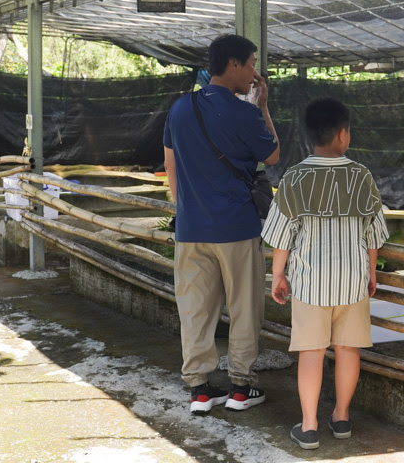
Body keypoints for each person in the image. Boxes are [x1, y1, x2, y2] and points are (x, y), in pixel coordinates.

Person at [261, 96, 389, 450]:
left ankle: (309, 426)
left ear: (310, 136)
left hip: (309, 282)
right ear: (343, 135)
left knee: (312, 352)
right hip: (352, 281)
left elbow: (281, 235)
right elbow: (373, 233)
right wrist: (371, 273)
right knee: (349, 350)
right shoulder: (361, 176)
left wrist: (278, 273)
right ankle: (342, 417)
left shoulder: (294, 177)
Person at [163, 34, 280, 414]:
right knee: (245, 308)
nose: (254, 73)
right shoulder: (244, 112)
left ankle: (199, 389)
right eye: (251, 64)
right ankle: (241, 388)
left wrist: (187, 210)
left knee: (195, 308)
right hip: (236, 228)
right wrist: (262, 107)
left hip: (191, 230)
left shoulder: (180, 109)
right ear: (233, 64)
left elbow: (171, 166)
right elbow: (273, 154)